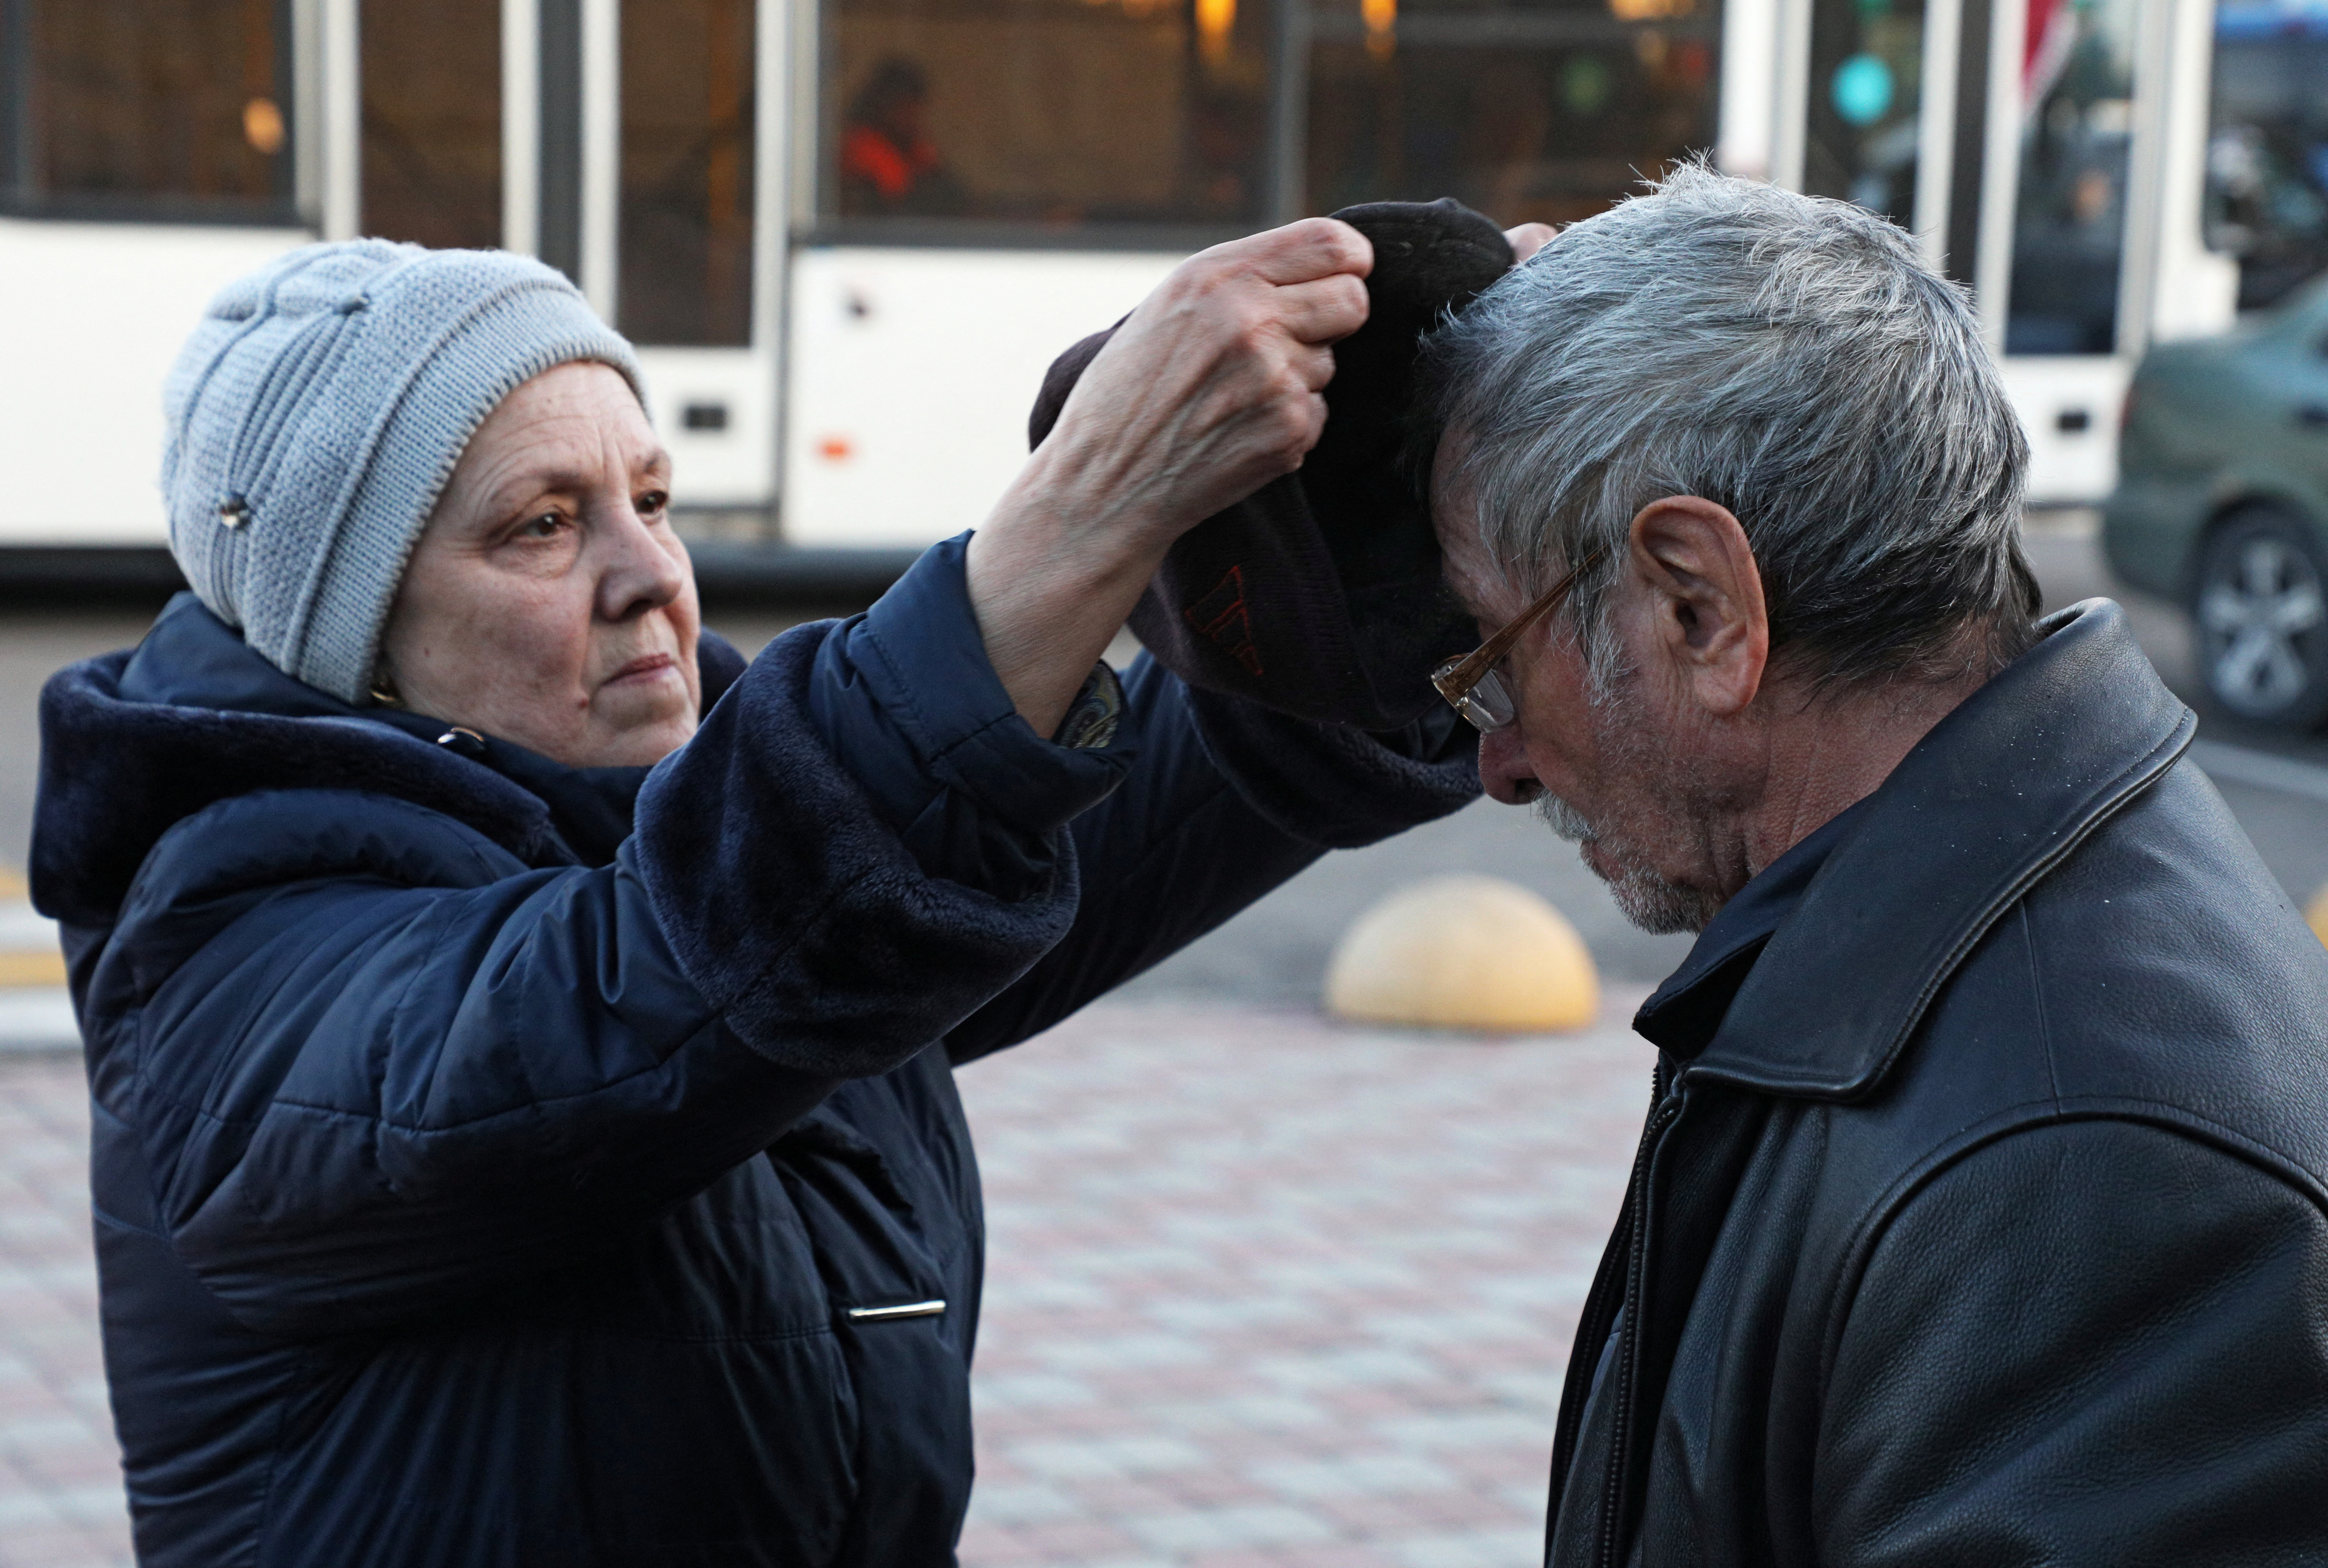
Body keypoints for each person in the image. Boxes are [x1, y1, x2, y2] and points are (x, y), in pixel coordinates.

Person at [33, 224, 1483, 1564]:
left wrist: (1435, 541)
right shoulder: (230, 936)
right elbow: (635, 991)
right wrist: (1078, 516)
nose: (648, 575)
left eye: (651, 499)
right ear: (348, 636)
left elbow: (1152, 779)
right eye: (542, 524)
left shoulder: (744, 849)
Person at [1418, 161, 2328, 1562]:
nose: (1500, 761)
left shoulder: (2079, 1162)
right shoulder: (1960, 965)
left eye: (1491, 662)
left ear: (1700, 606)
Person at [837, 57, 966, 218]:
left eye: (916, 107)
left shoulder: (911, 146)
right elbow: (898, 200)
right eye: (904, 107)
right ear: (884, 106)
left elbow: (951, 191)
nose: (913, 115)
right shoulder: (862, 145)